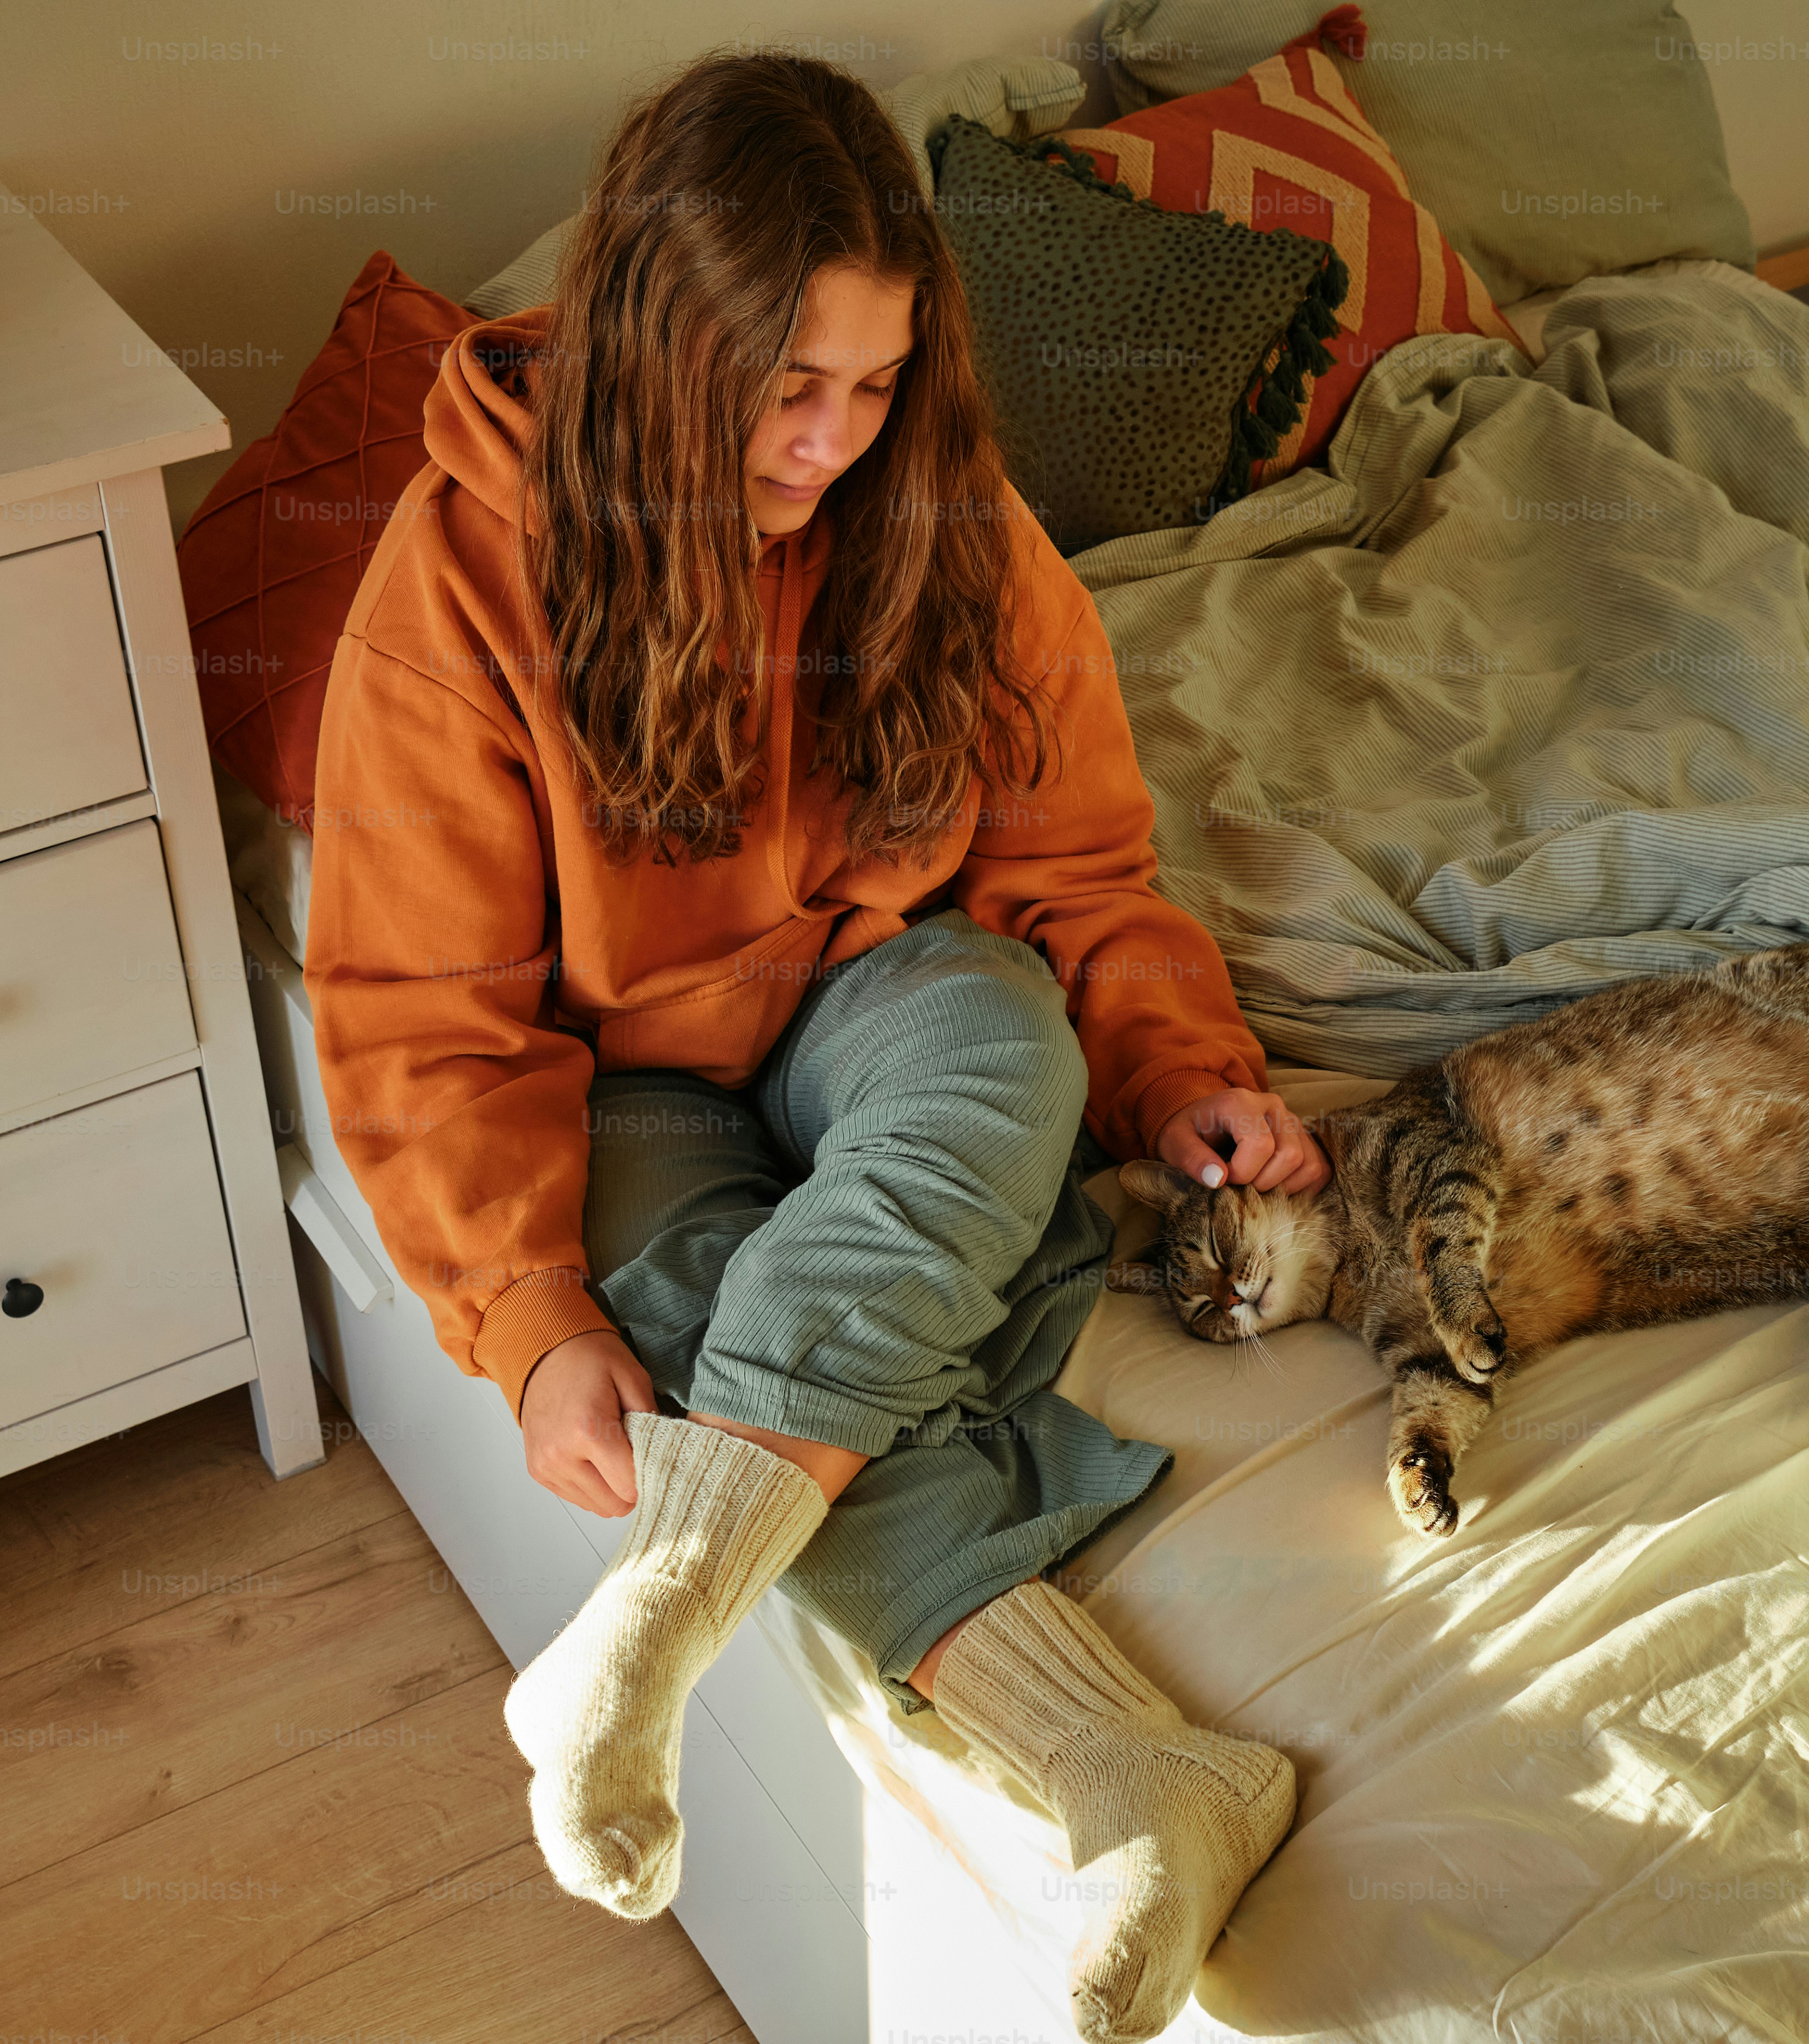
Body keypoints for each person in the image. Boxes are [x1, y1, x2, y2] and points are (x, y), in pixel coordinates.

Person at [304, 48, 1328, 2044]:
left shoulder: (940, 514)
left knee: (1006, 1045)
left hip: (878, 989)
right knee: (693, 1319)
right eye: (788, 387)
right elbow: (424, 1018)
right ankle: (1133, 1764)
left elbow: (1074, 860)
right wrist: (527, 1318)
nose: (832, 441)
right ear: (660, 352)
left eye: (875, 384)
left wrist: (1182, 1065)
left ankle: (662, 1608)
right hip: (620, 1082)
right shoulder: (456, 584)